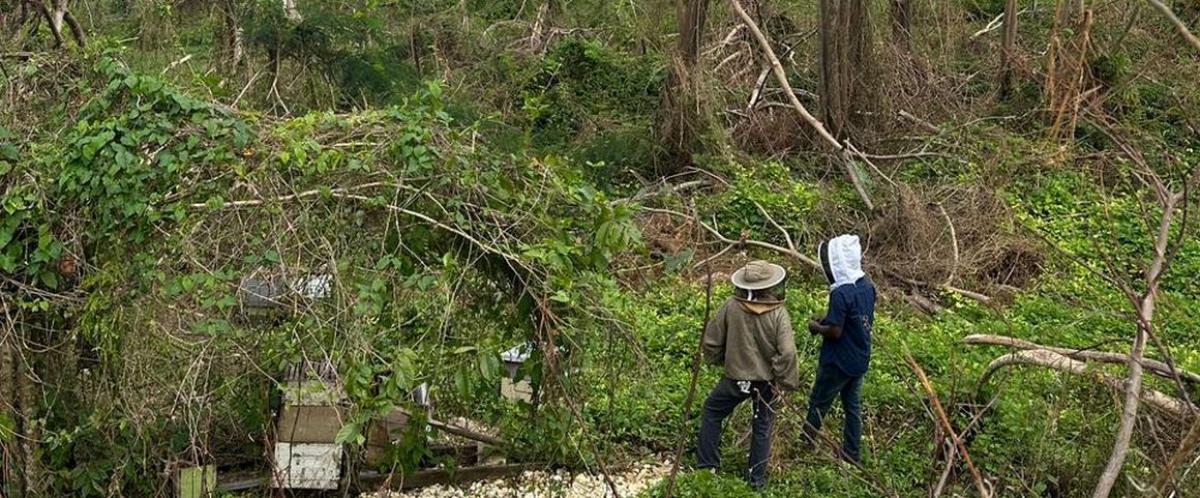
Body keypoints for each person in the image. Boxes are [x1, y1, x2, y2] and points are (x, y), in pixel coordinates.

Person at [696, 260, 800, 491]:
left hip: (735, 379)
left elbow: (711, 341)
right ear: (770, 286)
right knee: (762, 426)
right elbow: (788, 352)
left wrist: (721, 359)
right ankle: (756, 482)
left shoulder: (731, 306)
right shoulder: (779, 314)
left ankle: (706, 468)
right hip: (767, 384)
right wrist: (785, 382)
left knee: (712, 411)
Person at [805, 234, 875, 466]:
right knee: (852, 407)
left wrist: (817, 326)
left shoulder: (840, 293)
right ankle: (852, 453)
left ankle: (804, 442)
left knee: (819, 401)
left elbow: (835, 331)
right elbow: (853, 317)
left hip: (838, 361)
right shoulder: (866, 286)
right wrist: (828, 318)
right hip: (859, 359)